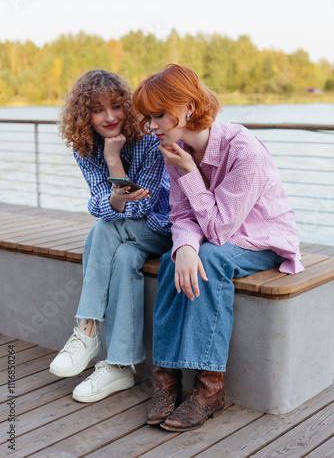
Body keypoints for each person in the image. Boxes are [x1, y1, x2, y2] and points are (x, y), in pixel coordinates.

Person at [132, 63, 304, 432]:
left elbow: (221, 228)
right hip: (217, 238)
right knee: (170, 259)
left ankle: (210, 389)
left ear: (188, 107)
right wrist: (184, 250)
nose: (153, 126)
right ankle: (166, 381)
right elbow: (182, 215)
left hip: (262, 238)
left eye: (159, 115)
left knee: (210, 258)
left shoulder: (244, 151)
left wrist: (191, 175)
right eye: (149, 118)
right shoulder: (176, 150)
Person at [49, 69, 172, 403]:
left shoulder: (148, 140)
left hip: (164, 226)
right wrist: (112, 190)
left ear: (127, 107)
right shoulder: (85, 148)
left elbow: (137, 209)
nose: (109, 117)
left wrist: (114, 159)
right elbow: (102, 204)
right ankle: (121, 365)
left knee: (102, 231)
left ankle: (87, 330)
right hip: (130, 239)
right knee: (122, 256)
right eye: (97, 109)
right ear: (84, 114)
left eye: (116, 106)